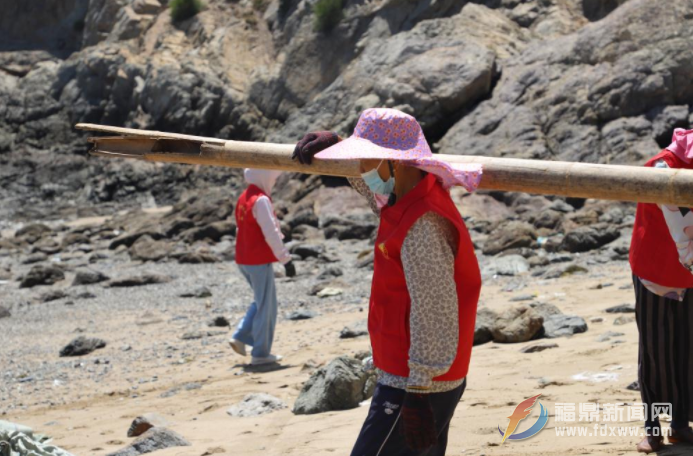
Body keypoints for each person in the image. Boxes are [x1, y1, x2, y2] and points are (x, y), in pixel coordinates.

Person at [293, 108, 483, 455]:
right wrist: (333, 144)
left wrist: (418, 391)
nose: (363, 171)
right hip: (419, 375)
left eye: (367, 161)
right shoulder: (407, 196)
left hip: (415, 382)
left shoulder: (424, 225)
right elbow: (374, 193)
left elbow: (434, 311)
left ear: (394, 163)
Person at [630, 128, 693, 453]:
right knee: (656, 351)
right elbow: (682, 232)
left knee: (687, 349)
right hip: (656, 269)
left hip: (690, 275)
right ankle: (653, 428)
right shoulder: (662, 169)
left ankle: (680, 424)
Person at [230, 168, 296, 366]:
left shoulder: (244, 196)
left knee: (261, 301)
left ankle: (241, 335)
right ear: (264, 177)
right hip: (257, 260)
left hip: (243, 259)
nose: (274, 182)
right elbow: (272, 233)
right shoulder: (261, 200)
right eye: (273, 178)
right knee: (267, 306)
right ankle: (260, 353)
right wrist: (286, 260)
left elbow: (239, 228)